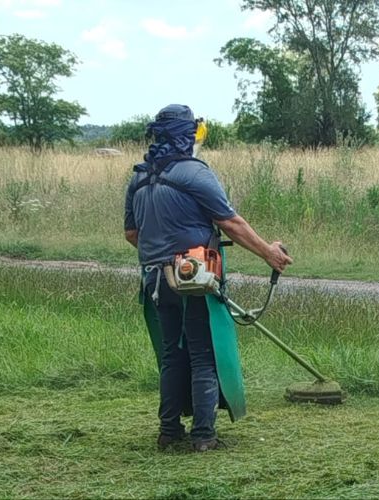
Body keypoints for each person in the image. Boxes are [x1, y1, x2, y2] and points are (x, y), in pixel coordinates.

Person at [124, 104, 292, 452]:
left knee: (172, 355)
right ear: (187, 136)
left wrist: (161, 251)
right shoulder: (195, 173)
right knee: (203, 355)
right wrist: (269, 253)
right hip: (193, 278)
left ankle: (169, 431)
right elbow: (231, 223)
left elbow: (131, 234)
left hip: (155, 279)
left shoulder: (139, 178)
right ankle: (204, 435)